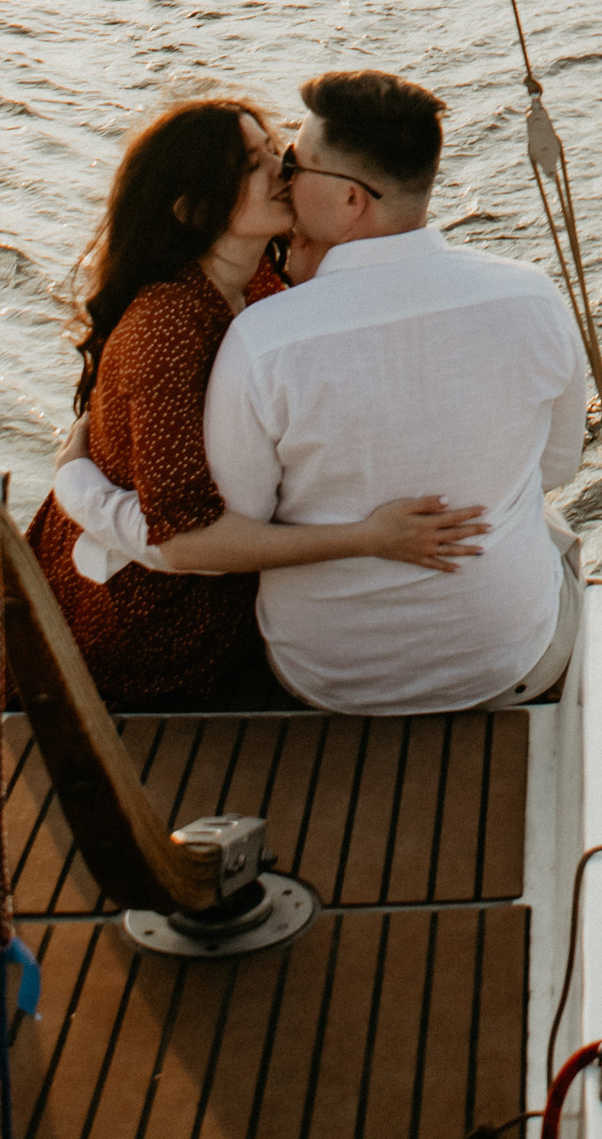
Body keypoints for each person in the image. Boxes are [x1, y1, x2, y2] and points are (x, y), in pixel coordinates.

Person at [31, 98, 485, 706]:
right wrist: (368, 537)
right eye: (252, 164)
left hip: (235, 592)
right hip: (155, 626)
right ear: (194, 210)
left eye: (275, 150)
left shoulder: (263, 286)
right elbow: (186, 543)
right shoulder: (167, 328)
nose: (282, 169)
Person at [201, 68, 591, 713]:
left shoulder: (262, 339)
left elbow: (241, 516)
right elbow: (557, 467)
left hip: (326, 678)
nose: (284, 178)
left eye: (295, 163)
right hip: (507, 665)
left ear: (352, 200)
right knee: (545, 523)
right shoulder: (532, 295)